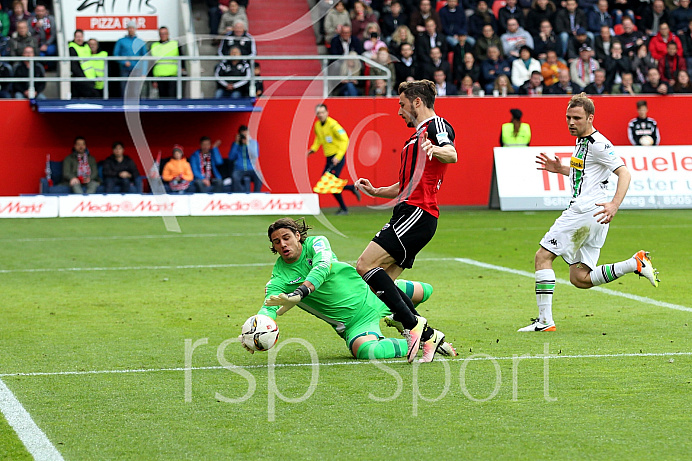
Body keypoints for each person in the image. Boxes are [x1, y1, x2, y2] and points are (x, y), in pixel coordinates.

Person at [518, 93, 659, 332]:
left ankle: (544, 322)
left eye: (577, 118)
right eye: (568, 117)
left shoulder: (599, 144)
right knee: (580, 278)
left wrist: (614, 204)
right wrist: (561, 169)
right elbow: (587, 174)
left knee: (543, 257)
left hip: (584, 211)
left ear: (590, 118)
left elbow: (624, 173)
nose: (571, 122)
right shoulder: (583, 142)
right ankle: (634, 263)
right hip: (594, 216)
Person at [354, 80, 458, 362]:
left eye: (401, 104)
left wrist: (435, 150)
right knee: (383, 284)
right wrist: (377, 190)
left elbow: (452, 154)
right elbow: (407, 182)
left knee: (364, 265)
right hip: (411, 213)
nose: (399, 111)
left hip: (416, 212)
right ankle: (429, 337)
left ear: (416, 102)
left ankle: (413, 326)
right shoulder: (414, 138)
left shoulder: (435, 126)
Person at [254, 218, 456, 361]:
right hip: (354, 323)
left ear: (298, 236)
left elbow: (322, 267)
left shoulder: (317, 243)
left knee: (425, 291)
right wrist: (255, 331)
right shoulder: (279, 277)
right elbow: (268, 309)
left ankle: (397, 316)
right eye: (276, 241)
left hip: (373, 292)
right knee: (366, 351)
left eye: (286, 237)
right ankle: (417, 342)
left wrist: (301, 292)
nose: (283, 244)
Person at [307, 104, 360, 215]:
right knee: (330, 184)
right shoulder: (318, 125)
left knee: (328, 182)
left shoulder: (333, 125)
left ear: (327, 112)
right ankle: (349, 192)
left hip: (337, 158)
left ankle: (345, 204)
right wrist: (313, 149)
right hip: (329, 158)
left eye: (322, 112)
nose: (320, 115)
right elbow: (318, 139)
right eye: (318, 113)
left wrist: (338, 156)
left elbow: (345, 139)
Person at [113, 20, 147, 96]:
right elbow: (115, 55)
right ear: (127, 29)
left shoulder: (140, 42)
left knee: (136, 90)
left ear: (135, 29)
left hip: (137, 70)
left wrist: (144, 72)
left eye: (133, 28)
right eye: (129, 28)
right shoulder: (121, 41)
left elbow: (145, 57)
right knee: (125, 89)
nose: (131, 30)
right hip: (125, 69)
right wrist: (124, 62)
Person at [228, 124, 261, 192]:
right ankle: (240, 193)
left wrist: (247, 144)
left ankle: (256, 194)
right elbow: (231, 157)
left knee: (259, 176)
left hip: (251, 168)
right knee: (235, 177)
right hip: (239, 168)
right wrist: (236, 143)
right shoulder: (236, 144)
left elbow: (255, 155)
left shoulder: (253, 143)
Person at [150, 26, 181, 98]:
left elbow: (182, 58)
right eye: (161, 34)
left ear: (168, 34)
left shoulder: (175, 44)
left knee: (172, 98)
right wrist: (152, 80)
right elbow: (151, 63)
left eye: (165, 33)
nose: (163, 35)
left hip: (173, 75)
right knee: (162, 99)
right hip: (159, 76)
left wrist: (182, 69)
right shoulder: (154, 46)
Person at [68, 29, 98, 98]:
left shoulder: (86, 46)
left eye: (80, 37)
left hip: (91, 78)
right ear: (74, 38)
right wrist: (83, 79)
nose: (79, 39)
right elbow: (74, 66)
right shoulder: (72, 48)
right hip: (81, 80)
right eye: (77, 37)